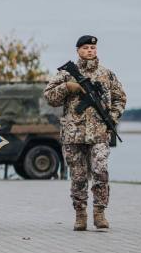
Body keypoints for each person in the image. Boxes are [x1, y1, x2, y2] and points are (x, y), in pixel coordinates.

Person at [43, 35, 126, 231]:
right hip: (73, 134)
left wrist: (112, 118)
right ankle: (80, 214)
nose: (90, 51)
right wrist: (67, 87)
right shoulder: (66, 74)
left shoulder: (107, 75)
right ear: (78, 50)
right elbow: (49, 96)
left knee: (100, 171)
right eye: (86, 48)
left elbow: (120, 99)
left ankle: (99, 212)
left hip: (99, 133)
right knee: (78, 177)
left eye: (93, 48)